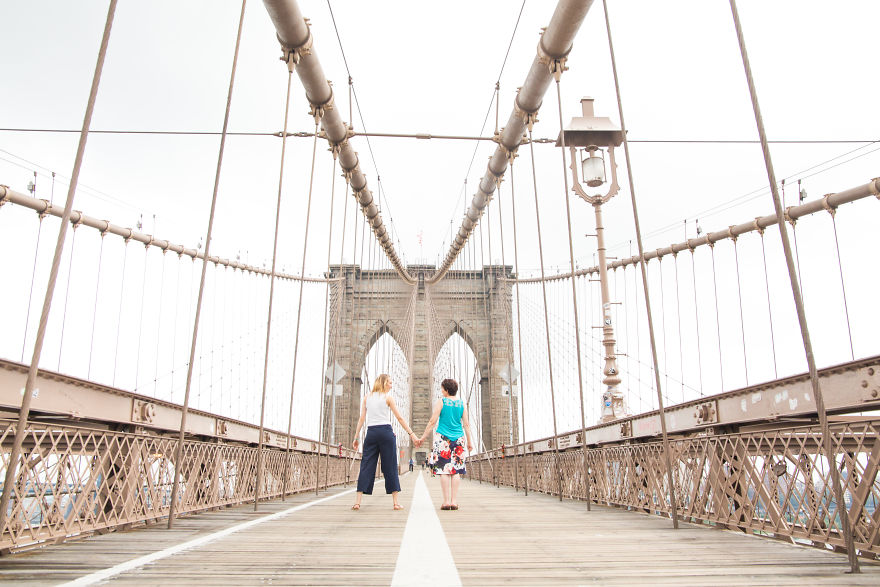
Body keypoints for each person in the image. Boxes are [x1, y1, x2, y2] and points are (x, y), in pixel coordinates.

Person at [351, 374, 420, 511]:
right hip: (386, 432)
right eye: (389, 382)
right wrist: (412, 434)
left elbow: (361, 419)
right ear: (383, 383)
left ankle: (357, 502)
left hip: (371, 433)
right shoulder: (388, 398)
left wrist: (356, 437)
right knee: (390, 467)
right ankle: (395, 503)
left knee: (366, 465)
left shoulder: (367, 397)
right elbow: (399, 418)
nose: (391, 385)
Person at [420, 378, 473, 510]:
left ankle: (446, 502)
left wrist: (422, 438)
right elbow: (466, 425)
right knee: (456, 471)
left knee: (444, 470)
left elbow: (432, 421)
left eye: (442, 389)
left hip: (442, 438)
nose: (442, 391)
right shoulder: (461, 403)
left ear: (447, 390)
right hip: (459, 438)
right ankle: (454, 502)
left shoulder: (442, 401)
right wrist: (469, 442)